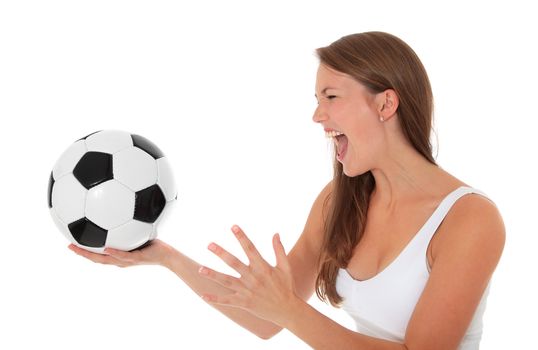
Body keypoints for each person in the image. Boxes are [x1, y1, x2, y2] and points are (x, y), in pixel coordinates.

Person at [69, 31, 505, 349]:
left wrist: (288, 311)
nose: (318, 116)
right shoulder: (338, 202)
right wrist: (165, 257)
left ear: (385, 104)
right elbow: (264, 320)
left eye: (331, 97)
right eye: (317, 99)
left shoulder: (469, 219)